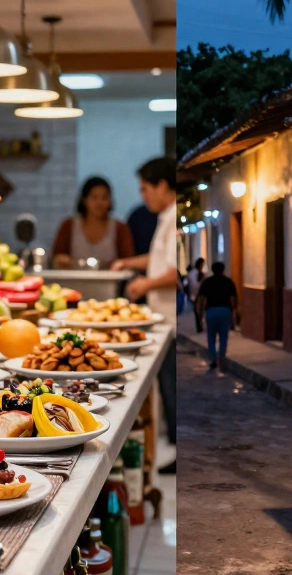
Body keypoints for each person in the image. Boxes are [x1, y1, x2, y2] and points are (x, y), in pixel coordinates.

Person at [112, 157, 179, 470]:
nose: (143, 196)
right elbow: (158, 260)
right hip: (163, 319)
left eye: (145, 189)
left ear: (162, 185)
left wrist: (145, 284)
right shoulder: (165, 217)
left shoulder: (174, 217)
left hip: (173, 320)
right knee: (167, 387)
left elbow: (178, 270)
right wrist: (129, 264)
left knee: (172, 387)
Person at [51, 176, 135, 269]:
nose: (99, 203)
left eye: (104, 198)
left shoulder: (120, 228)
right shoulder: (69, 225)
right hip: (73, 281)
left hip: (109, 281)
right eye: (94, 198)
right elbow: (56, 257)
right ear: (84, 200)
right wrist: (62, 260)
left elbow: (128, 261)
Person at [196, 262, 237, 369]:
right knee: (224, 336)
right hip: (225, 310)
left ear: (212, 270)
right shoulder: (228, 282)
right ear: (223, 270)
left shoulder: (207, 282)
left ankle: (213, 358)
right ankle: (222, 358)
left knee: (211, 336)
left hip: (211, 311)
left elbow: (201, 299)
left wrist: (199, 314)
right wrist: (233, 317)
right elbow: (232, 301)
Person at [185, 258, 206, 332]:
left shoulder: (193, 273)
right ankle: (199, 325)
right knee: (198, 310)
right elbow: (195, 285)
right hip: (198, 294)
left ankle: (199, 325)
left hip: (196, 294)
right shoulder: (195, 273)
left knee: (199, 311)